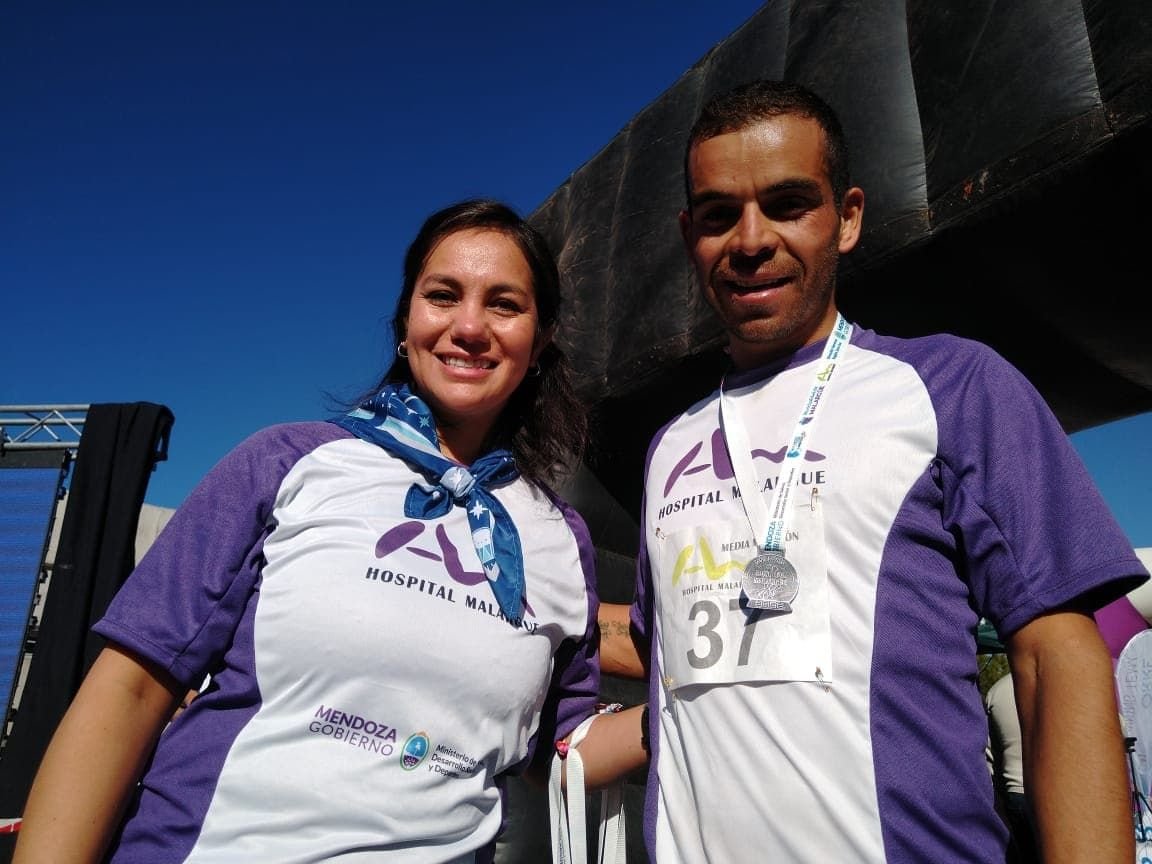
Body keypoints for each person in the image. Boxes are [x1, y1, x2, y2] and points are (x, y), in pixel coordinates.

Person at [594, 79, 1149, 862]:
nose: (750, 239)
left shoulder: (954, 386)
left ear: (847, 217)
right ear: (691, 236)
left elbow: (1055, 657)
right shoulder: (668, 446)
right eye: (719, 214)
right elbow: (660, 649)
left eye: (787, 204)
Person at [13, 199, 604, 863]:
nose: (469, 326)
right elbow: (131, 689)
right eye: (442, 295)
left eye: (504, 304)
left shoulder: (560, 538)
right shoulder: (285, 462)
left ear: (540, 340)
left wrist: (698, 693)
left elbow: (561, 746)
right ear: (405, 324)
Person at [985, 671, 1039, 864]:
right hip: (1048, 792)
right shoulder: (1053, 684)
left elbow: (989, 753)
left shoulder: (997, 691)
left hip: (1013, 792)